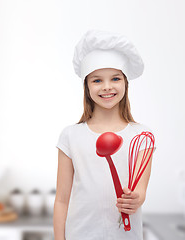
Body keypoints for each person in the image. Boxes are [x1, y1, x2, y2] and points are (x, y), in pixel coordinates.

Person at [53, 30, 156, 240]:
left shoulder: (142, 136)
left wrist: (135, 199)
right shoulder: (70, 136)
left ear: (125, 83)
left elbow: (141, 191)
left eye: (115, 78)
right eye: (97, 80)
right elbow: (62, 200)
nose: (107, 87)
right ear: (86, 86)